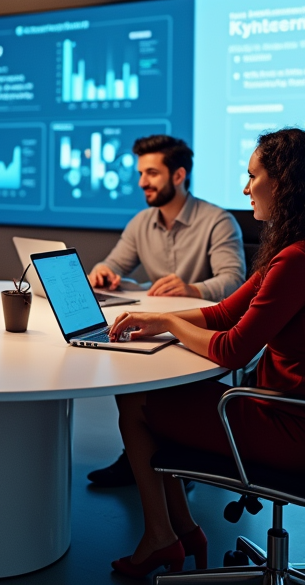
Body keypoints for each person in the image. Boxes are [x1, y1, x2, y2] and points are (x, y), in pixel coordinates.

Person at [105, 128, 305, 577]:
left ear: (285, 183)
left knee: (134, 399)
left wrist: (172, 322)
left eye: (253, 176)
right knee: (148, 399)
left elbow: (233, 351)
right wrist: (157, 320)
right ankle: (181, 530)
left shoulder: (298, 261)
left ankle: (164, 537)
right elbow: (225, 312)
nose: (245, 187)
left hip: (293, 430)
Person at [86, 135, 246, 487]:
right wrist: (104, 271)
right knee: (124, 363)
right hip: (158, 327)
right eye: (141, 173)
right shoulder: (142, 222)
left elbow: (234, 281)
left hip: (198, 334)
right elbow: (115, 264)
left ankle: (176, 458)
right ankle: (139, 457)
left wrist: (193, 289)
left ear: (178, 175)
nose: (142, 181)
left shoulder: (217, 221)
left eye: (152, 173)